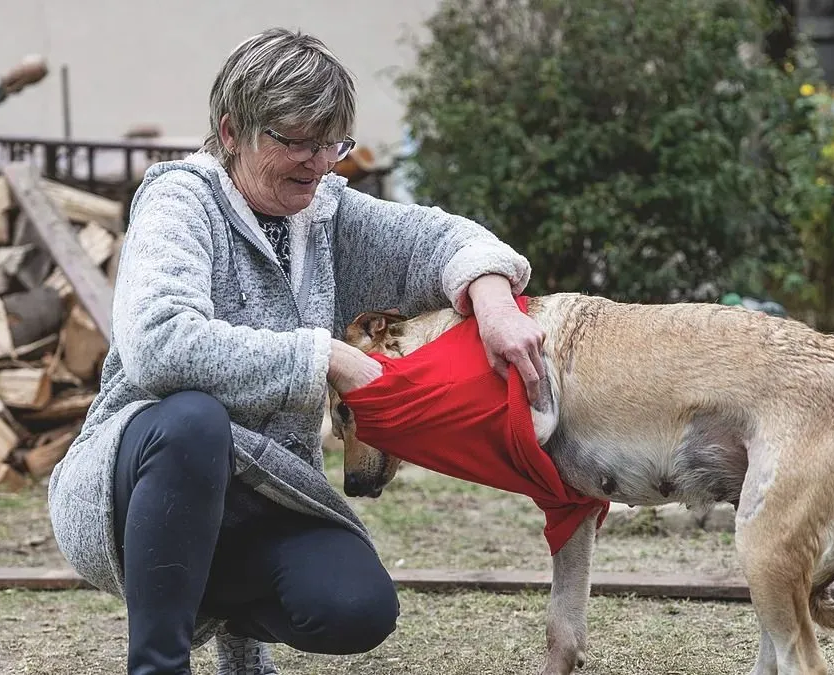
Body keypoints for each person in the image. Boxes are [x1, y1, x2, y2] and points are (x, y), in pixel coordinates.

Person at [47, 27, 545, 675]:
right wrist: (325, 357)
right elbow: (158, 345)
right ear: (232, 132)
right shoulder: (180, 201)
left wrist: (496, 302)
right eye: (296, 141)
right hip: (134, 484)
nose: (318, 162)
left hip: (266, 487)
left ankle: (241, 651)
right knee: (195, 420)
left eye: (332, 143)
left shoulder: (326, 213)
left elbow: (441, 240)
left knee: (357, 607)